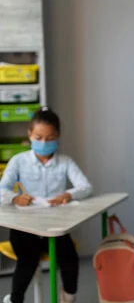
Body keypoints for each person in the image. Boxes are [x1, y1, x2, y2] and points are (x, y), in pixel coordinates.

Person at [0, 107, 93, 303]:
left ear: (57, 136)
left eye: (50, 138)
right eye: (39, 137)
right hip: (25, 226)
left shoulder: (65, 162)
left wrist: (68, 194)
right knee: (28, 260)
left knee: (70, 259)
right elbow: (2, 189)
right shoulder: (18, 161)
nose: (44, 142)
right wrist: (15, 198)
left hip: (54, 226)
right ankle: (15, 299)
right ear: (30, 135)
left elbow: (86, 187)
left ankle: (67, 297)